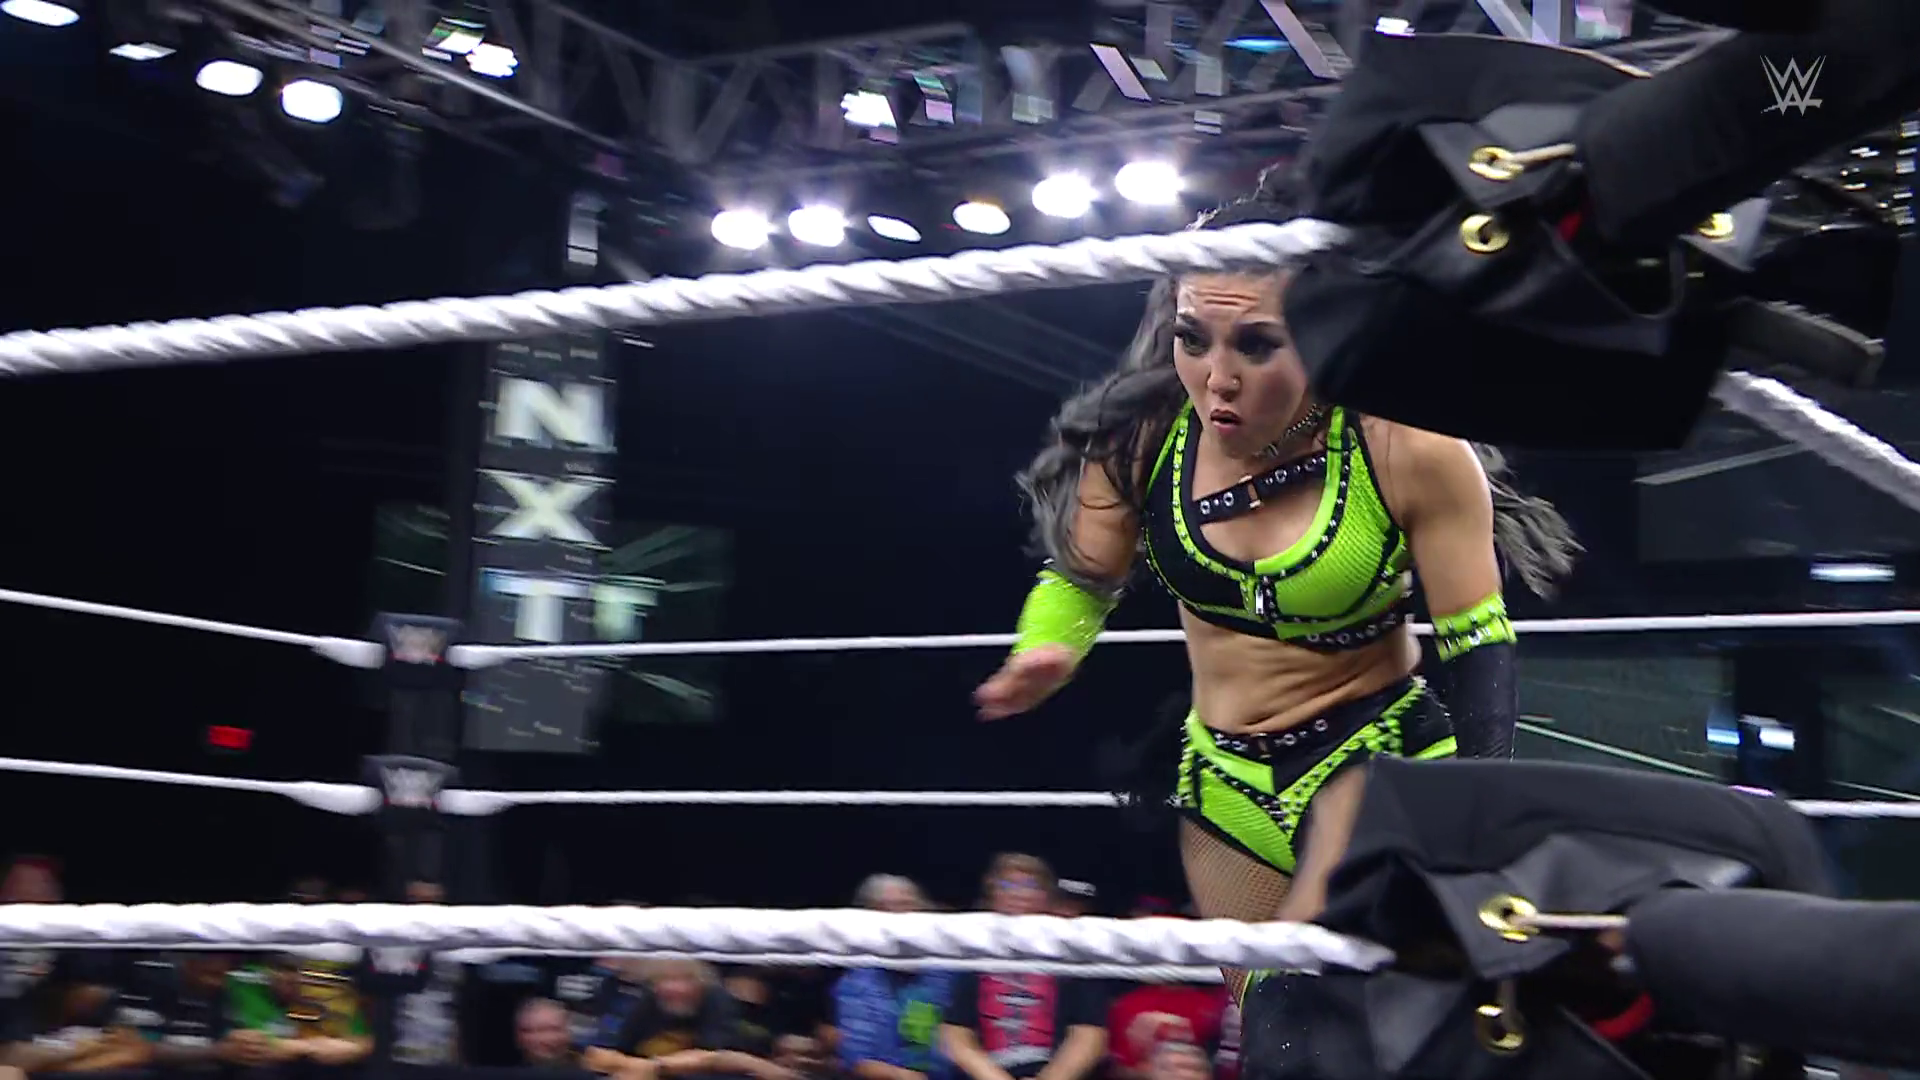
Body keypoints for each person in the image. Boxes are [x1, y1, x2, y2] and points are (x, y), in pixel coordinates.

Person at [973, 169, 1579, 999]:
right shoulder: (1141, 440)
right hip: (1222, 784)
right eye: (1193, 339)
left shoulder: (1407, 448)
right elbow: (1081, 581)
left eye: (1256, 345)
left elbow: (1478, 646)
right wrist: (1047, 648)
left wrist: (1477, 818)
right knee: (1269, 1034)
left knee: (1330, 1018)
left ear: (1327, 333)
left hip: (1372, 759)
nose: (1216, 376)